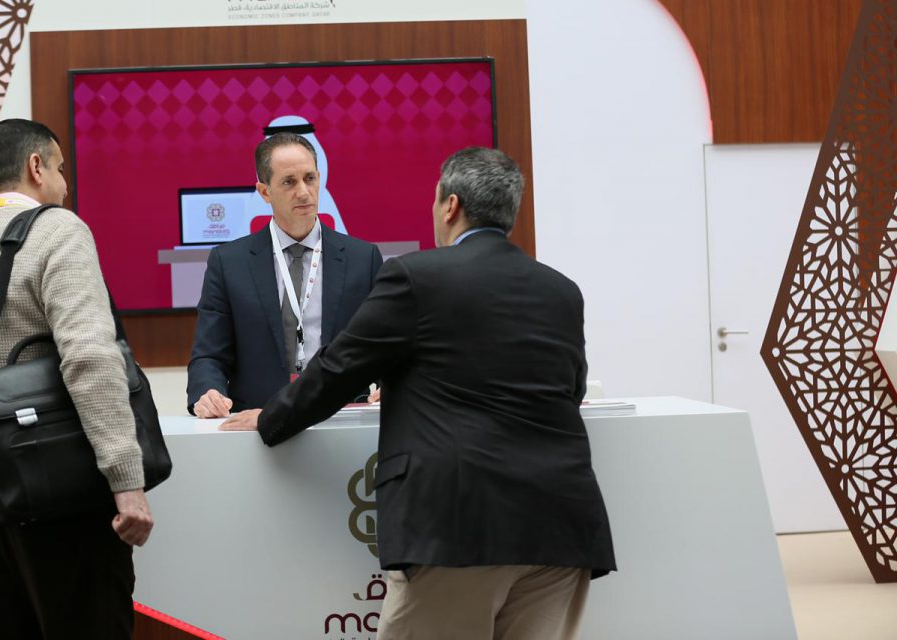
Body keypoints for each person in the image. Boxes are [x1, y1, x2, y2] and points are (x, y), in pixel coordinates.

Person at [222, 147, 616, 640]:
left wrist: (269, 418)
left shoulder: (416, 278)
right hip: (563, 530)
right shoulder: (561, 290)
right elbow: (569, 389)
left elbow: (340, 369)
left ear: (450, 206)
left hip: (459, 530)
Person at [0, 118, 153, 640]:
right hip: (56, 499)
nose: (66, 185)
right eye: (60, 169)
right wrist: (126, 481)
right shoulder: (57, 231)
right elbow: (89, 358)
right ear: (36, 167)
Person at [187, 131, 383, 418]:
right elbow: (209, 355)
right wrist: (208, 392)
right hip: (256, 421)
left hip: (341, 417)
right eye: (289, 182)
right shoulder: (229, 263)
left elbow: (385, 345)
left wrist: (391, 384)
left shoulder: (363, 259)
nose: (303, 192)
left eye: (309, 178)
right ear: (265, 192)